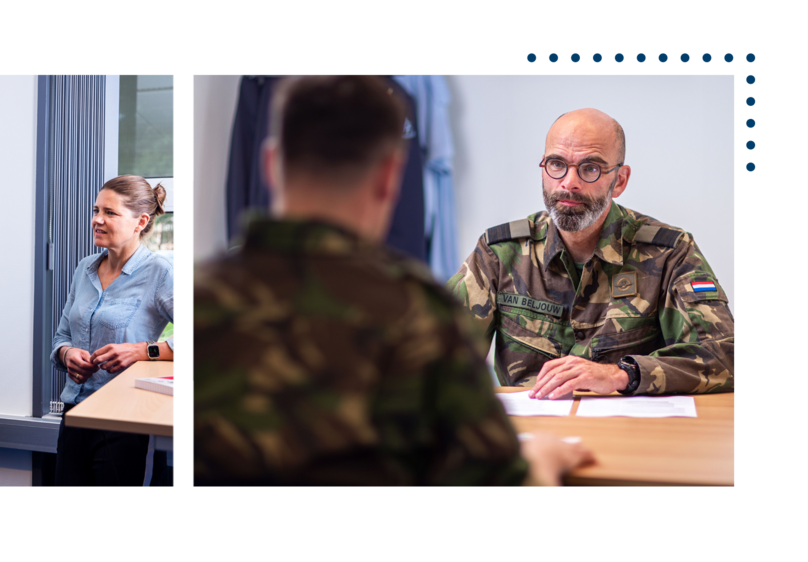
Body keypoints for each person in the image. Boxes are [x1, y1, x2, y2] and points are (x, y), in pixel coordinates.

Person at [193, 73, 591, 487]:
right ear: (390, 176)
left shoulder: (202, 300)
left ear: (269, 164)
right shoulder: (417, 313)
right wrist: (543, 458)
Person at [445, 108, 736, 400]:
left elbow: (725, 355)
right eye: (556, 164)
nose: (569, 182)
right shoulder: (499, 252)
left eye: (590, 168)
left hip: (628, 425)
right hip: (531, 424)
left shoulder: (668, 253)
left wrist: (622, 374)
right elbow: (434, 352)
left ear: (619, 180)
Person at [51, 175, 176, 488]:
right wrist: (67, 354)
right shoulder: (84, 268)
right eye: (96, 210)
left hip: (128, 420)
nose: (97, 219)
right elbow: (61, 337)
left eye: (110, 212)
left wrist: (142, 350)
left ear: (140, 221)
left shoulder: (160, 273)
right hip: (76, 412)